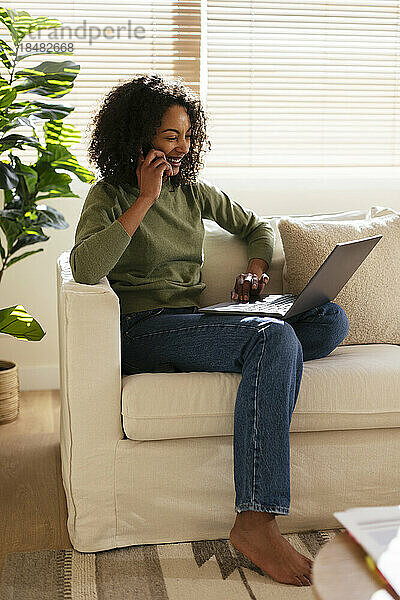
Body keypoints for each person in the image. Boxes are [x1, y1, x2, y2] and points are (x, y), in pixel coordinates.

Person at [70, 72, 349, 587]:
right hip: (142, 330)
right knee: (275, 337)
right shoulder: (108, 195)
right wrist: (145, 198)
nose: (181, 147)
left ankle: (263, 357)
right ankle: (255, 520)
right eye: (169, 136)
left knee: (329, 318)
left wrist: (259, 269)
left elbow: (256, 225)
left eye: (187, 135)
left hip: (196, 320)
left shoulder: (195, 193)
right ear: (138, 138)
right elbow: (86, 267)